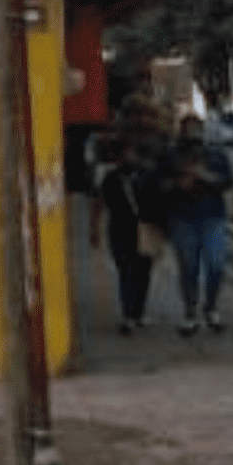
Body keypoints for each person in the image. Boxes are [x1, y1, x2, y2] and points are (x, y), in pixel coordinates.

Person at [155, 111, 233, 334]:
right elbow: (158, 185)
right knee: (188, 268)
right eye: (188, 129)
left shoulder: (216, 155)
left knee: (216, 265)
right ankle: (190, 312)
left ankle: (211, 307)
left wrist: (205, 176)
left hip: (213, 217)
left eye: (196, 129)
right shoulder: (170, 156)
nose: (193, 134)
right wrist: (179, 184)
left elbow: (228, 181)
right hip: (182, 218)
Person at [89, 121, 157, 333]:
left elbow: (157, 201)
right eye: (127, 152)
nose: (131, 156)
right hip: (119, 229)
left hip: (144, 229)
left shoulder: (145, 174)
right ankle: (128, 315)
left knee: (143, 271)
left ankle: (138, 312)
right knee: (126, 270)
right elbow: (99, 203)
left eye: (133, 152)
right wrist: (94, 229)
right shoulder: (110, 176)